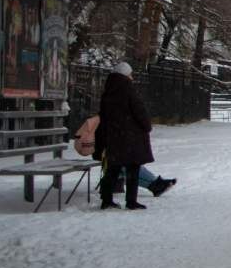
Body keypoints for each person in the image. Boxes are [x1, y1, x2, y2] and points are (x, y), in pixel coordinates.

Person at [96, 62, 154, 210]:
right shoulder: (128, 90)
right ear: (126, 75)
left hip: (114, 135)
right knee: (132, 169)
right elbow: (139, 110)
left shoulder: (108, 91)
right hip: (131, 136)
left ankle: (106, 199)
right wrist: (146, 126)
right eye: (130, 74)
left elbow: (103, 115)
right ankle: (131, 201)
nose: (132, 77)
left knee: (113, 169)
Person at [75, 114, 175, 197]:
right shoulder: (108, 119)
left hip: (107, 152)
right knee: (128, 164)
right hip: (106, 153)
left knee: (127, 164)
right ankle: (155, 184)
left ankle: (154, 184)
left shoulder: (105, 116)